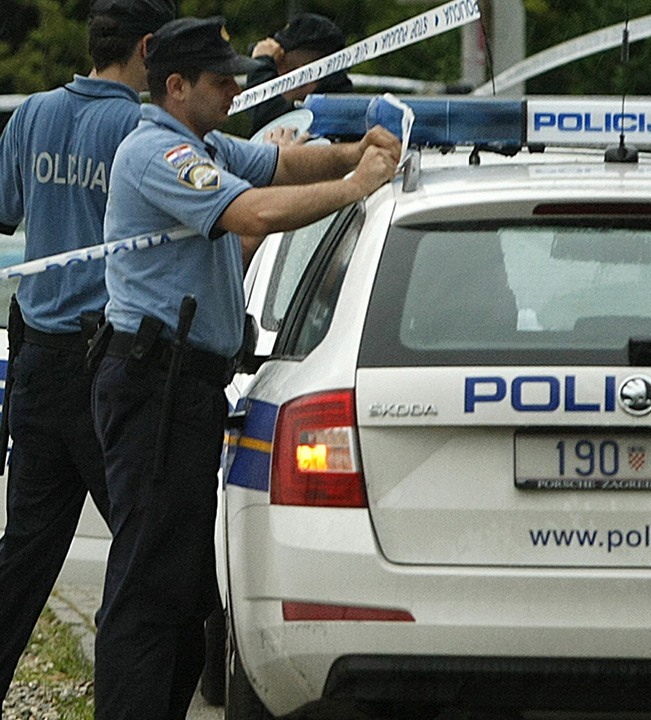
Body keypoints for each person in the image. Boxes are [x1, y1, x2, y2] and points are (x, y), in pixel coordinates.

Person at [91, 16, 399, 719]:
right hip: (155, 387)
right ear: (176, 87)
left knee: (183, 589)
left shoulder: (202, 142)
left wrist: (355, 152)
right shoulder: (159, 153)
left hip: (181, 387)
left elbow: (281, 166)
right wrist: (356, 186)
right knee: (148, 587)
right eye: (221, 80)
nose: (236, 90)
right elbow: (253, 213)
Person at [0, 0, 175, 702]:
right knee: (147, 551)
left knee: (24, 553)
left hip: (38, 362)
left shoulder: (33, 113)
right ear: (148, 47)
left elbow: (6, 210)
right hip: (109, 366)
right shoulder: (140, 131)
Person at [247, 12, 354, 133]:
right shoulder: (347, 111)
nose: (274, 75)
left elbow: (263, 114)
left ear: (304, 74)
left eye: (278, 63)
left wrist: (260, 68)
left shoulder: (316, 120)